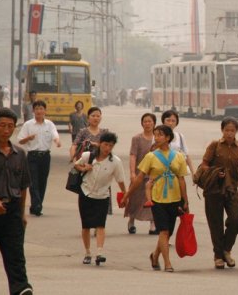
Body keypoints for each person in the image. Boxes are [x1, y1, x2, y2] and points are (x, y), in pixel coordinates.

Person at [119, 125, 189, 273]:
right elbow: (139, 178)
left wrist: (185, 200)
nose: (156, 138)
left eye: (160, 135)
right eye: (155, 135)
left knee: (168, 232)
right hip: (157, 199)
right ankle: (168, 263)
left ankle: (155, 255)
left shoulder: (178, 156)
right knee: (163, 231)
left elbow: (181, 179)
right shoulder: (150, 156)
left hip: (175, 198)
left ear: (168, 138)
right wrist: (127, 195)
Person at [0, 108, 34, 295]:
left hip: (11, 213)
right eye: (2, 125)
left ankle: (21, 289)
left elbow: (23, 185)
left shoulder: (20, 154)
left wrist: (22, 213)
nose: (6, 130)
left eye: (10, 126)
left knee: (16, 259)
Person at [200, 116, 238, 269]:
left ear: (237, 131)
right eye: (227, 130)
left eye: (232, 130)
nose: (229, 133)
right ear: (222, 130)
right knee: (216, 224)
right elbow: (204, 165)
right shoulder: (214, 145)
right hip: (214, 190)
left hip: (231, 189)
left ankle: (226, 250)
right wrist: (215, 172)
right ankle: (218, 256)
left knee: (234, 220)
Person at [75, 132, 126, 266]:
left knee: (100, 225)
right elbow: (76, 165)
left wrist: (125, 195)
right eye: (105, 144)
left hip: (102, 196)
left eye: (110, 145)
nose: (107, 148)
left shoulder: (115, 162)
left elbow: (120, 180)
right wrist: (84, 167)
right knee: (85, 225)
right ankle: (87, 253)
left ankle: (99, 253)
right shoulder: (88, 156)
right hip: (85, 193)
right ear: (100, 143)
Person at [17, 100, 61, 217]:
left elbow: (55, 134)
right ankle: (37, 206)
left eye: (41, 109)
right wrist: (28, 138)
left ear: (45, 111)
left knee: (42, 182)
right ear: (33, 111)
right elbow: (20, 140)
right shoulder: (28, 125)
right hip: (32, 156)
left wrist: (57, 141)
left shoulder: (49, 124)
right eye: (37, 109)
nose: (39, 111)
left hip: (45, 156)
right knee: (33, 182)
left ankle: (36, 205)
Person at [125, 113, 157, 235]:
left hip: (153, 175)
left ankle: (153, 224)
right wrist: (132, 172)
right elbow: (133, 155)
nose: (147, 124)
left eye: (150, 121)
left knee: (152, 199)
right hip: (139, 174)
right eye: (145, 121)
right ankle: (131, 220)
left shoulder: (158, 138)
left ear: (154, 123)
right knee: (135, 198)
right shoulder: (137, 138)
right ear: (142, 123)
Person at [161, 110, 196, 176]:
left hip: (177, 172)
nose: (170, 123)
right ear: (163, 121)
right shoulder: (157, 136)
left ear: (176, 123)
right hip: (161, 173)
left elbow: (187, 155)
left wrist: (193, 172)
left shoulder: (180, 136)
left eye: (173, 121)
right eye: (168, 120)